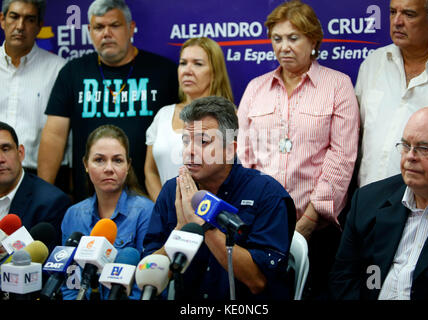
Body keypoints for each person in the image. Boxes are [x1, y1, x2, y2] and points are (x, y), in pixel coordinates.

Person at [236, 0, 359, 299]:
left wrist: (309, 221)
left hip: (316, 230)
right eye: (277, 39)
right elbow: (243, 155)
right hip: (258, 229)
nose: (284, 47)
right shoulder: (255, 87)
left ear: (313, 40)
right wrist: (256, 218)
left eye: (293, 38)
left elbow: (341, 157)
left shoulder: (338, 85)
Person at [143, 96, 296, 300]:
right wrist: (181, 230)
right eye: (186, 141)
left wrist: (201, 223)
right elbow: (149, 278)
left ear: (230, 150)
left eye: (203, 142)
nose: (189, 151)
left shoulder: (266, 194)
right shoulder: (173, 191)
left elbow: (257, 282)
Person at [38, 0, 178, 202]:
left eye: (114, 25)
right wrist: (42, 195)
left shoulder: (163, 72)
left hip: (148, 198)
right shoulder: (73, 72)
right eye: (99, 27)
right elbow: (54, 137)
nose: (106, 33)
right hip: (89, 200)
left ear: (130, 28)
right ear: (89, 31)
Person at [330, 106, 428, 300]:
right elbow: (346, 276)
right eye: (405, 146)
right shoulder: (369, 201)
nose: (410, 156)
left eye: (424, 148)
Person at [356, 0, 428, 187]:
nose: (397, 21)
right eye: (392, 12)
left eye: (409, 14)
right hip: (367, 202)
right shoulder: (372, 64)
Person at [60, 124, 154, 300]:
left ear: (128, 166)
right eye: (99, 160)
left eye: (117, 160)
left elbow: (146, 283)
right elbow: (69, 281)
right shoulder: (73, 214)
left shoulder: (146, 212)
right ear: (86, 164)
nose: (109, 168)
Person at [144, 37, 234, 202]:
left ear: (215, 72)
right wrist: (165, 210)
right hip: (168, 220)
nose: (187, 70)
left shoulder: (230, 116)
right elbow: (150, 171)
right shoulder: (163, 115)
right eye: (183, 63)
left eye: (198, 64)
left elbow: (233, 175)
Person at [0, 0, 71, 193]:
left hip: (42, 178)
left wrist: (44, 192)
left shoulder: (59, 70)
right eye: (14, 17)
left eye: (29, 19)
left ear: (40, 26)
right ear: (2, 20)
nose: (20, 26)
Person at [0, 121, 70, 244]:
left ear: (20, 153)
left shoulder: (50, 203)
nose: (0, 159)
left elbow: (46, 259)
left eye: (6, 149)